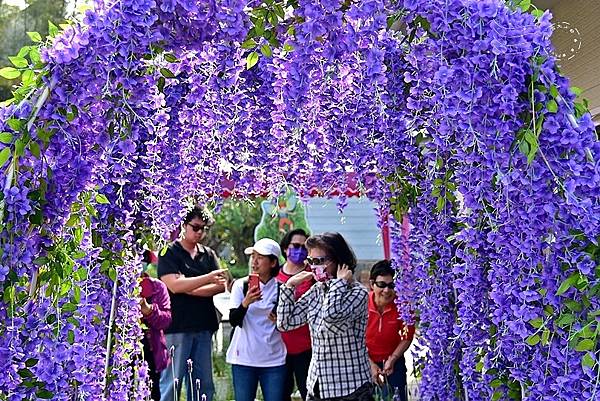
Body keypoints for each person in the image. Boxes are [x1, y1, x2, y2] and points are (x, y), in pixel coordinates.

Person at [277, 232, 373, 401]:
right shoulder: (316, 291)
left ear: (339, 261)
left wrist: (340, 283)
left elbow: (331, 316)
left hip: (350, 387)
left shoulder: (358, 293)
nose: (315, 267)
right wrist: (289, 286)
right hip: (318, 385)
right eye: (311, 261)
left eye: (320, 261)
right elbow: (285, 323)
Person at [157, 206, 227, 401]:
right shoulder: (169, 252)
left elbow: (221, 286)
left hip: (204, 325)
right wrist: (207, 279)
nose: (199, 232)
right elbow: (173, 286)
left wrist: (187, 285)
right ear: (183, 225)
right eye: (195, 227)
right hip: (177, 327)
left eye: (203, 228)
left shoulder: (209, 254)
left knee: (203, 384)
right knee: (173, 382)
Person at [226, 238, 287, 401]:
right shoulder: (241, 285)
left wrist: (279, 319)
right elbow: (233, 320)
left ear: (273, 262)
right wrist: (246, 303)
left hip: (274, 359)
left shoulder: (282, 288)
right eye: (253, 256)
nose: (255, 261)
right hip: (243, 358)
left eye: (260, 257)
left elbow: (288, 323)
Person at [365, 260, 415, 401]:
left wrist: (392, 359)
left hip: (393, 360)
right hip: (365, 360)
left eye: (391, 285)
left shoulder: (403, 306)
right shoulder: (362, 303)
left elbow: (407, 336)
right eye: (381, 285)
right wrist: (370, 364)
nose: (386, 291)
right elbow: (354, 338)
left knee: (398, 396)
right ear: (372, 284)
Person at [277, 229, 313, 401]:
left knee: (310, 394)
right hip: (278, 348)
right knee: (281, 394)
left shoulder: (312, 274)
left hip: (306, 347)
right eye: (296, 246)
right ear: (286, 248)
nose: (300, 250)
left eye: (304, 247)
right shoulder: (274, 274)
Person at [140, 250, 172, 401]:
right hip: (121, 353)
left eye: (144, 257)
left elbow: (166, 320)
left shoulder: (157, 287)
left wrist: (148, 310)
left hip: (150, 354)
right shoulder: (114, 286)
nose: (141, 261)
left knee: (151, 394)